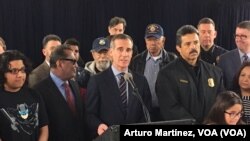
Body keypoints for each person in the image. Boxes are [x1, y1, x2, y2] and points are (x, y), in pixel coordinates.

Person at [86, 34, 152, 139]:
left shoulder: (141, 81)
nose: (125, 54)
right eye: (120, 49)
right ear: (111, 52)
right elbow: (90, 114)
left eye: (128, 50)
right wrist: (98, 125)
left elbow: (146, 112)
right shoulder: (97, 81)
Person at [156, 25, 224, 124]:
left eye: (196, 43)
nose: (193, 47)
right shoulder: (166, 74)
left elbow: (221, 102)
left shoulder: (215, 72)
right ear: (178, 48)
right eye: (187, 44)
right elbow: (170, 108)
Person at [33, 45, 88, 141]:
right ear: (60, 63)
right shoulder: (39, 91)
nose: (76, 65)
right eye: (73, 62)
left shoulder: (74, 85)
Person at [130, 23, 177, 121]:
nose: (152, 43)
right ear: (145, 40)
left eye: (155, 39)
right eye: (149, 39)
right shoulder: (136, 61)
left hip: (167, 112)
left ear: (163, 40)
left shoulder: (173, 59)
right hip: (143, 112)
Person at [0, 50, 48, 141]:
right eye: (14, 71)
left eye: (22, 70)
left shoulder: (34, 94)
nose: (20, 75)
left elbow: (44, 127)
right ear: (2, 73)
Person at [218, 20, 250, 90]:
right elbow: (221, 89)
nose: (238, 39)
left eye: (243, 36)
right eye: (237, 36)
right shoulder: (224, 59)